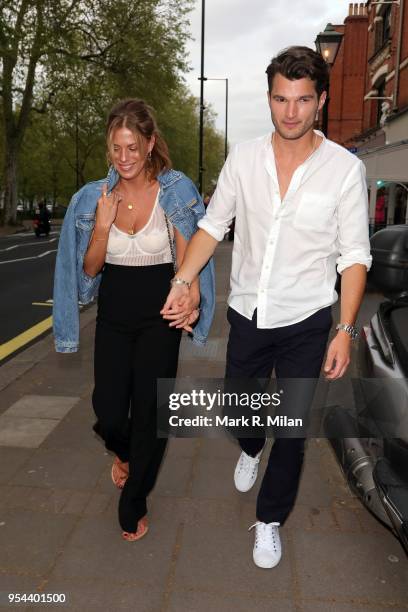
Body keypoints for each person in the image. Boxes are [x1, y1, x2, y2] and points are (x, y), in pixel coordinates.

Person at [161, 47, 371, 568]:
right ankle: (251, 447)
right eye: (281, 98)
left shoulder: (345, 170)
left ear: (319, 101)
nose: (291, 111)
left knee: (293, 428)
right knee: (241, 408)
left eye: (302, 100)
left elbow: (354, 256)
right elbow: (213, 226)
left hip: (306, 319)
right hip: (249, 311)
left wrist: (344, 329)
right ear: (270, 98)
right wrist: (184, 279)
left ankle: (270, 518)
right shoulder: (244, 158)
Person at [53, 98, 215, 541]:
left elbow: (190, 260)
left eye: (131, 148)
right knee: (107, 409)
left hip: (160, 313)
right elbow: (88, 271)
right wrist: (102, 225)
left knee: (149, 413)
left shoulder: (175, 191)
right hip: (115, 313)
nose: (123, 158)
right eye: (115, 148)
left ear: (149, 144)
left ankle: (134, 502)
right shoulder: (93, 198)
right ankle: (123, 453)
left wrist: (190, 296)